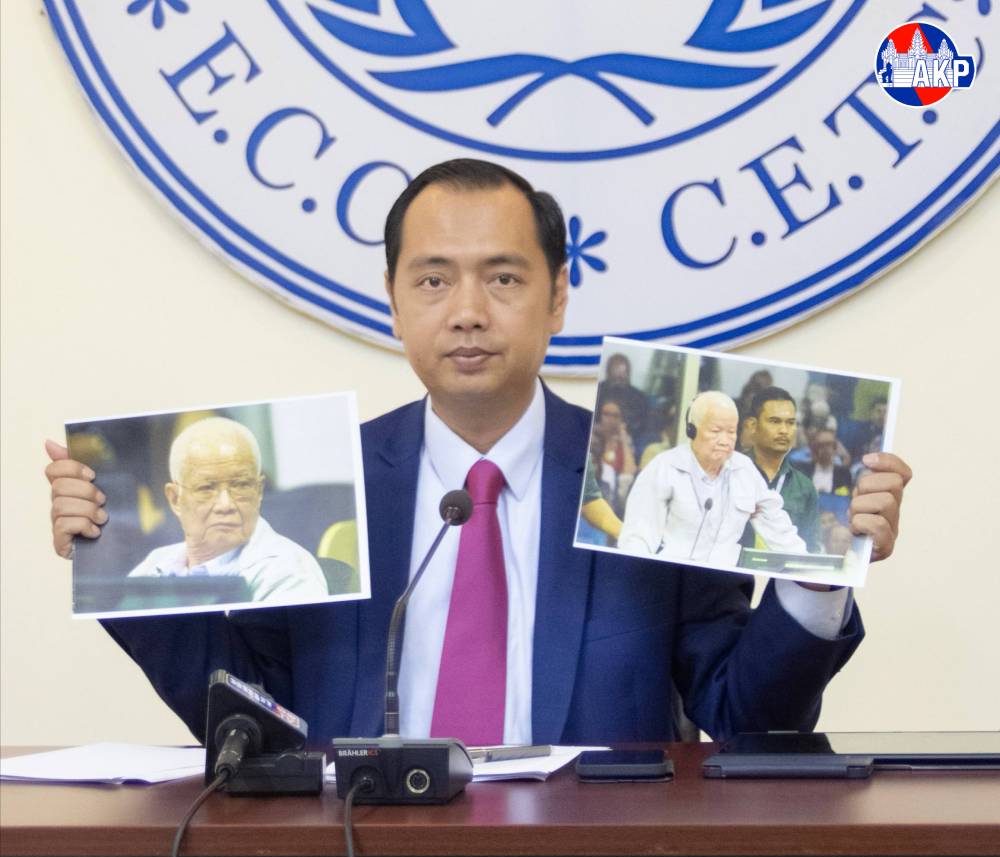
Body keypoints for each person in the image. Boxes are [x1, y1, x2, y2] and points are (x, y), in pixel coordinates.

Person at [45, 158, 911, 747]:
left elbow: (750, 719)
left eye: (503, 278)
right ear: (392, 302)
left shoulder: (641, 480)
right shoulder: (329, 490)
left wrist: (818, 572)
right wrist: (119, 563)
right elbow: (255, 721)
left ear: (558, 297)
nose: (466, 312)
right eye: (433, 280)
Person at [125, 417, 329, 603]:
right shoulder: (153, 567)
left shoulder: (286, 571)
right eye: (206, 488)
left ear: (259, 491)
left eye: (241, 485)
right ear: (175, 499)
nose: (226, 505)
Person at [618, 391, 808, 565]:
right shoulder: (664, 468)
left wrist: (806, 567)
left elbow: (779, 529)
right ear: (692, 431)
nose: (724, 441)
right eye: (716, 431)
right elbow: (637, 537)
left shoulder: (745, 470)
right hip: (671, 574)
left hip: (725, 579)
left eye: (731, 432)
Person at [741, 387, 822, 553]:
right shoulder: (732, 472)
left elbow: (810, 548)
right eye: (775, 421)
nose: (784, 430)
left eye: (790, 423)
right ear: (753, 425)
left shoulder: (805, 487)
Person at [596, 352, 648, 443]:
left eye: (623, 373)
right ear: (608, 373)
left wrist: (625, 435)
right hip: (598, 437)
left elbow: (643, 425)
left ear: (628, 374)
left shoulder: (639, 397)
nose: (619, 376)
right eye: (616, 371)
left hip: (626, 439)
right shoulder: (597, 390)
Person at [798, 428, 854, 496]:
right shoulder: (803, 471)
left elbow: (845, 496)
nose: (825, 449)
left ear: (834, 448)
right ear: (815, 449)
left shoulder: (844, 474)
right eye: (821, 445)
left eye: (829, 444)